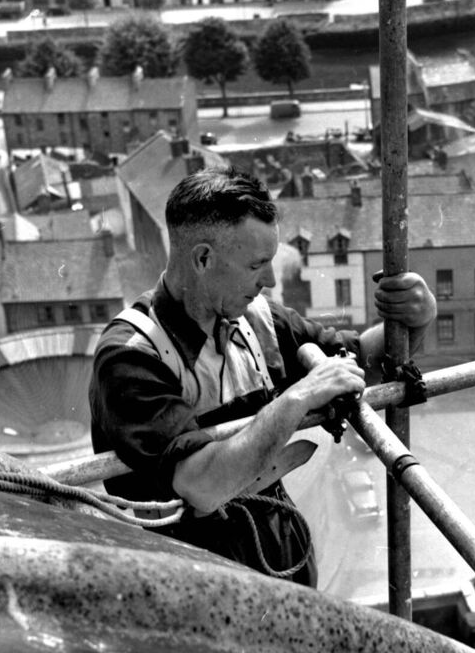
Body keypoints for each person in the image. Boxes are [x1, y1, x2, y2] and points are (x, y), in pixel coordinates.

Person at [89, 168, 436, 587]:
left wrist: (416, 319)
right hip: (189, 578)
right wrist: (296, 399)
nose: (269, 280)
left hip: (277, 556)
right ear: (202, 259)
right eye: (257, 265)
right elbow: (201, 484)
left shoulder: (258, 320)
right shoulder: (131, 357)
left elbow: (361, 360)